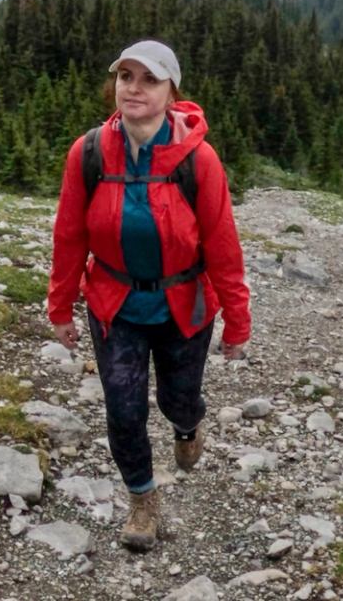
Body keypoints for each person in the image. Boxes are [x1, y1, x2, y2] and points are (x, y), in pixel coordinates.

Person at [47, 38, 252, 553]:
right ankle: (142, 499)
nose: (134, 88)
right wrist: (60, 305)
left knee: (177, 399)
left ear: (171, 92)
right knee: (123, 408)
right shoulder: (89, 152)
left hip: (184, 304)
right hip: (114, 303)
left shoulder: (198, 160)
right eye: (126, 76)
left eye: (149, 79)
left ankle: (188, 427)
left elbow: (223, 245)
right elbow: (69, 234)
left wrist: (237, 320)